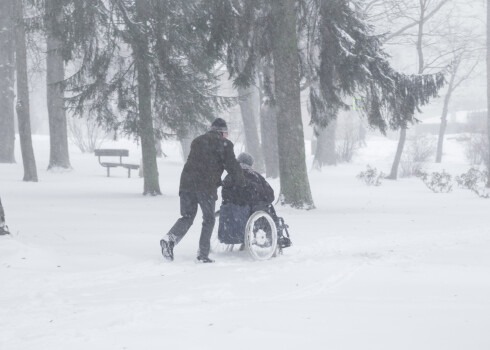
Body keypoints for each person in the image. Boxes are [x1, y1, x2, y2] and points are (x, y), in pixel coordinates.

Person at [160, 118, 244, 263]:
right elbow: (232, 167)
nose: (227, 136)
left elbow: (198, 163)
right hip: (205, 187)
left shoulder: (197, 141)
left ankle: (170, 239)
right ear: (222, 132)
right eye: (226, 133)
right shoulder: (225, 145)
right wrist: (241, 181)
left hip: (186, 184)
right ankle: (203, 254)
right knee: (209, 219)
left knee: (187, 216)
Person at [218, 152, 275, 245]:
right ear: (250, 164)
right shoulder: (254, 175)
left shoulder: (229, 175)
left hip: (231, 208)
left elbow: (224, 193)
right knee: (267, 207)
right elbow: (270, 195)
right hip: (250, 208)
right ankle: (270, 237)